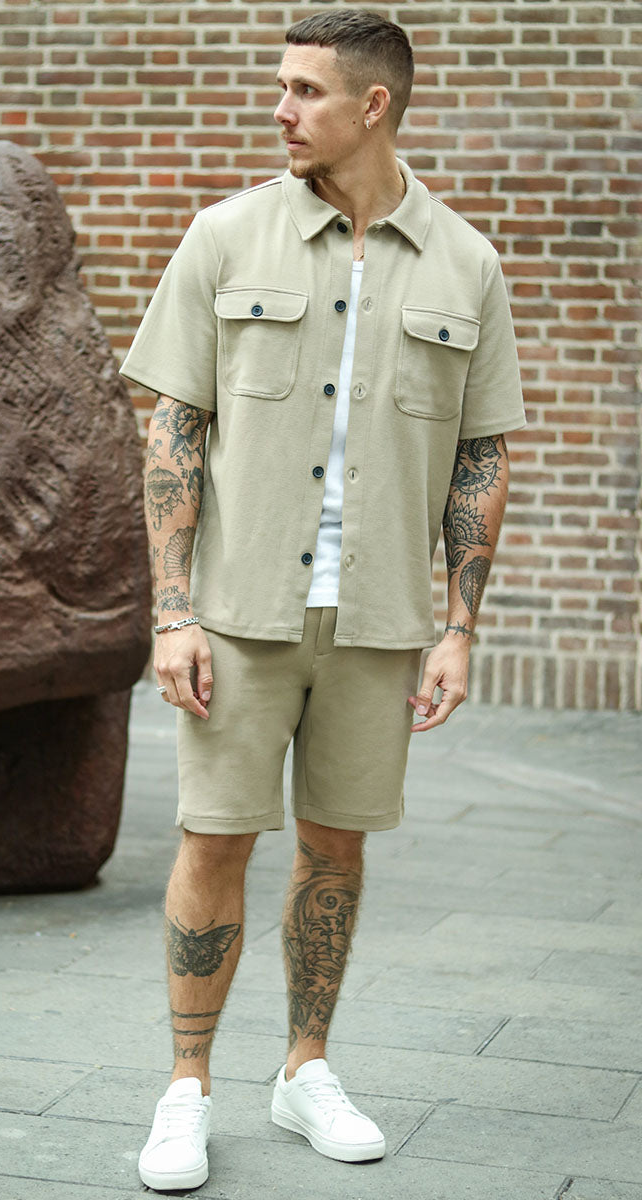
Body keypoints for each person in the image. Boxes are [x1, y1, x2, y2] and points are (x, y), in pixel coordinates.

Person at [120, 7, 525, 1192]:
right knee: (213, 838)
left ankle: (304, 1071)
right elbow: (172, 432)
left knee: (334, 849)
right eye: (282, 87)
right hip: (238, 615)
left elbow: (480, 458)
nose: (281, 109)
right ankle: (185, 1088)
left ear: (372, 105)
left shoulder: (465, 263)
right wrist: (171, 611)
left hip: (377, 619)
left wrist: (457, 629)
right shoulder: (224, 235)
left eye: (304, 90)